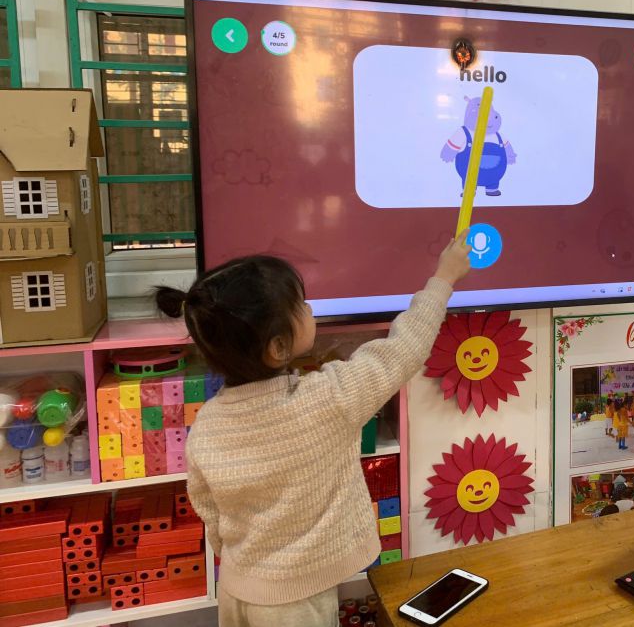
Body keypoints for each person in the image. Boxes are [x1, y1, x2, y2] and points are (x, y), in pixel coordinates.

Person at [154, 240, 471, 626]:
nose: (309, 309)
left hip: (236, 591)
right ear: (277, 347)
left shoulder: (207, 423)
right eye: (301, 305)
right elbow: (405, 348)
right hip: (296, 605)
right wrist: (444, 278)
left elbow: (208, 509)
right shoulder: (328, 399)